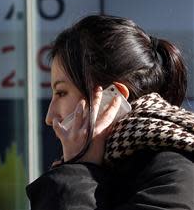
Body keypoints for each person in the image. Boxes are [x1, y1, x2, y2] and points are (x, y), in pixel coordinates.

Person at [26, 15, 194, 209]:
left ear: (112, 99)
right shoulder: (113, 167)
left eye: (62, 92)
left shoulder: (174, 174)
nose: (50, 117)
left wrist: (77, 173)